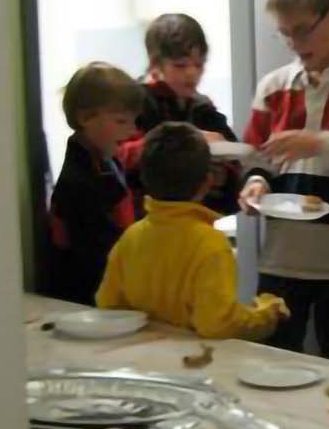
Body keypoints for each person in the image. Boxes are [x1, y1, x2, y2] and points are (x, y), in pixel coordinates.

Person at [240, 0, 329, 361]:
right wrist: (256, 182)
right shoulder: (274, 86)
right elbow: (256, 157)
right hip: (282, 257)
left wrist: (321, 144)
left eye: (304, 30)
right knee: (272, 363)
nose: (295, 43)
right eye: (285, 33)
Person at [98, 123, 289, 339]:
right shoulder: (211, 245)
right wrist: (267, 314)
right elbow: (218, 324)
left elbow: (108, 303)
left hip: (139, 354)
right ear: (207, 182)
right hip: (193, 357)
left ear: (144, 179)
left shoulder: (131, 236)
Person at [116, 12, 241, 217]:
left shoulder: (202, 107)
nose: (192, 73)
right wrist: (183, 141)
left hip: (192, 222)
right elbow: (117, 157)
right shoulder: (134, 103)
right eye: (180, 65)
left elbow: (236, 174)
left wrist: (222, 177)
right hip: (147, 222)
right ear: (155, 64)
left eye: (199, 64)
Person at [47, 61, 144, 305]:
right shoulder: (79, 182)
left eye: (132, 121)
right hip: (86, 297)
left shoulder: (106, 160)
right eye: (121, 121)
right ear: (85, 118)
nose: (132, 130)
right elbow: (95, 253)